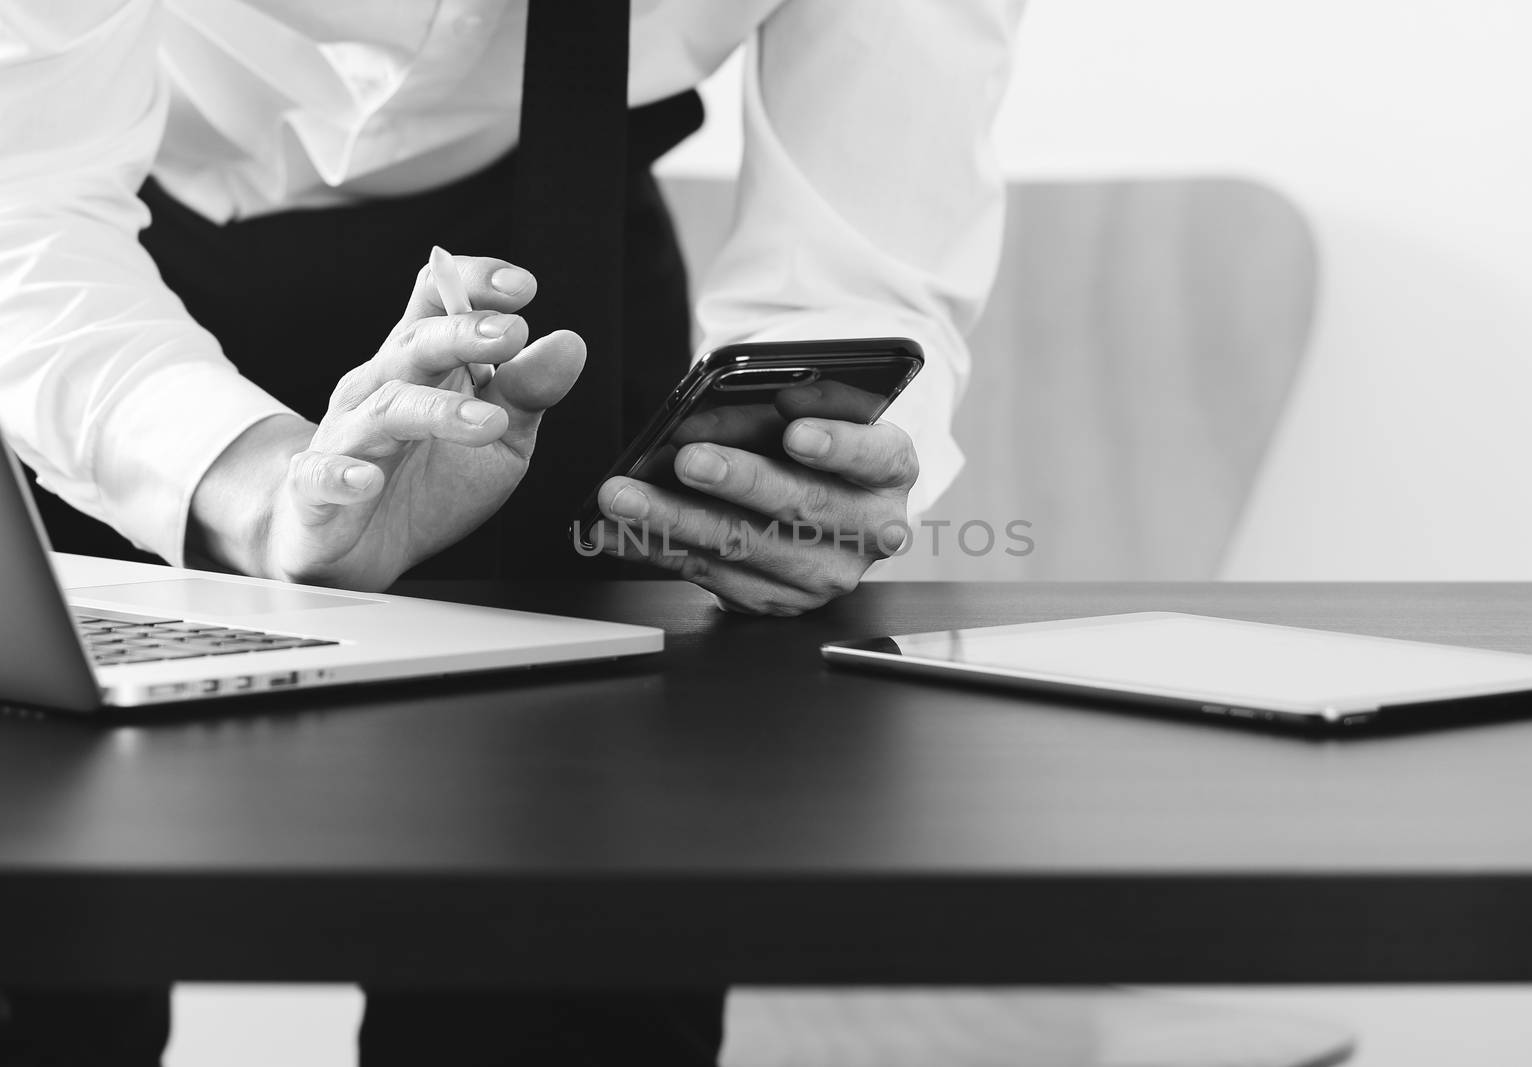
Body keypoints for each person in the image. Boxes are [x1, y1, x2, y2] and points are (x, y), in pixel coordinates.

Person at [0, 0, 1021, 1063]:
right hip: (89, 297)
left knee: (562, 987)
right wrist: (249, 480)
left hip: (560, 290)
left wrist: (808, 461)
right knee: (39, 960)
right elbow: (20, 189)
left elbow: (863, 237)